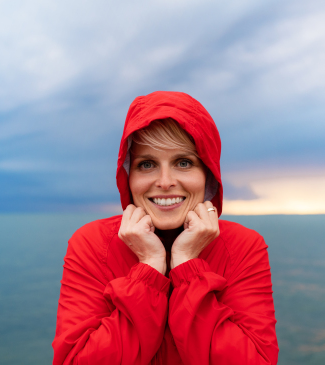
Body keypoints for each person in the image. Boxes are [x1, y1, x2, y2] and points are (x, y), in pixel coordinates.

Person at [52, 91, 278, 365]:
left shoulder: (244, 246)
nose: (165, 181)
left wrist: (187, 266)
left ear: (208, 174)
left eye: (184, 162)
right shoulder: (91, 244)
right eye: (147, 164)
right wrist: (148, 268)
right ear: (128, 176)